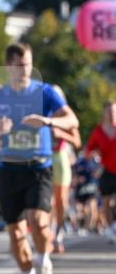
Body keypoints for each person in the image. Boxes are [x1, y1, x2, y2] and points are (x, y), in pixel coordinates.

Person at [0, 42, 79, 274]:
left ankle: (44, 260)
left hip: (39, 166)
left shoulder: (45, 92)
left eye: (28, 64)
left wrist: (48, 121)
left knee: (38, 220)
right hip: (9, 169)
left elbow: (72, 120)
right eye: (20, 65)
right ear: (8, 66)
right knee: (15, 232)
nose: (25, 69)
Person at [50, 84, 81, 253]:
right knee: (46, 200)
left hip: (60, 159)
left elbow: (77, 142)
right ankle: (47, 235)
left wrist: (61, 134)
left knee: (60, 201)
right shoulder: (44, 114)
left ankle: (58, 234)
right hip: (45, 159)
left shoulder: (66, 116)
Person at [86, 99, 116, 242]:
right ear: (104, 113)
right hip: (106, 170)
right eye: (109, 111)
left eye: (114, 111)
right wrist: (93, 154)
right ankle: (110, 229)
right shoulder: (98, 131)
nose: (112, 114)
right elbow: (88, 150)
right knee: (106, 202)